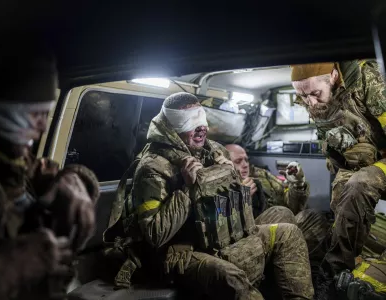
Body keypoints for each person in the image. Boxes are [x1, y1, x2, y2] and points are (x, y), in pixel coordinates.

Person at [105, 92, 314, 299]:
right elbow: (154, 235)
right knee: (231, 278)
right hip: (179, 250)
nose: (201, 127)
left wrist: (229, 174)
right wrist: (188, 189)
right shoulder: (152, 168)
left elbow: (229, 200)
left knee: (288, 232)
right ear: (172, 127)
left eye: (202, 117)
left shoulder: (214, 150)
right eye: (190, 120)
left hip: (218, 234)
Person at [0, 36, 100, 299]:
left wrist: (74, 180)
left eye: (46, 114)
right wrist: (9, 266)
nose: (42, 127)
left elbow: (49, 172)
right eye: (35, 115)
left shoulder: (16, 160)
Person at [290, 61, 386, 277]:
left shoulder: (366, 80)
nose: (311, 102)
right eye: (304, 97)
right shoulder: (311, 99)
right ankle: (346, 270)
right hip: (357, 163)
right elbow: (327, 137)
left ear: (333, 76)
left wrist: (374, 156)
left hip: (381, 160)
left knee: (360, 183)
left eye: (315, 93)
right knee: (341, 201)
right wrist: (334, 150)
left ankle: (334, 269)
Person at [225, 144, 330, 276]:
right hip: (252, 239)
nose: (245, 164)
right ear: (225, 164)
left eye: (246, 159)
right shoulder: (223, 186)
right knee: (281, 214)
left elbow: (290, 206)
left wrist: (297, 184)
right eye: (238, 161)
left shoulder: (261, 176)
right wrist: (240, 199)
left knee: (314, 217)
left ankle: (314, 274)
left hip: (283, 227)